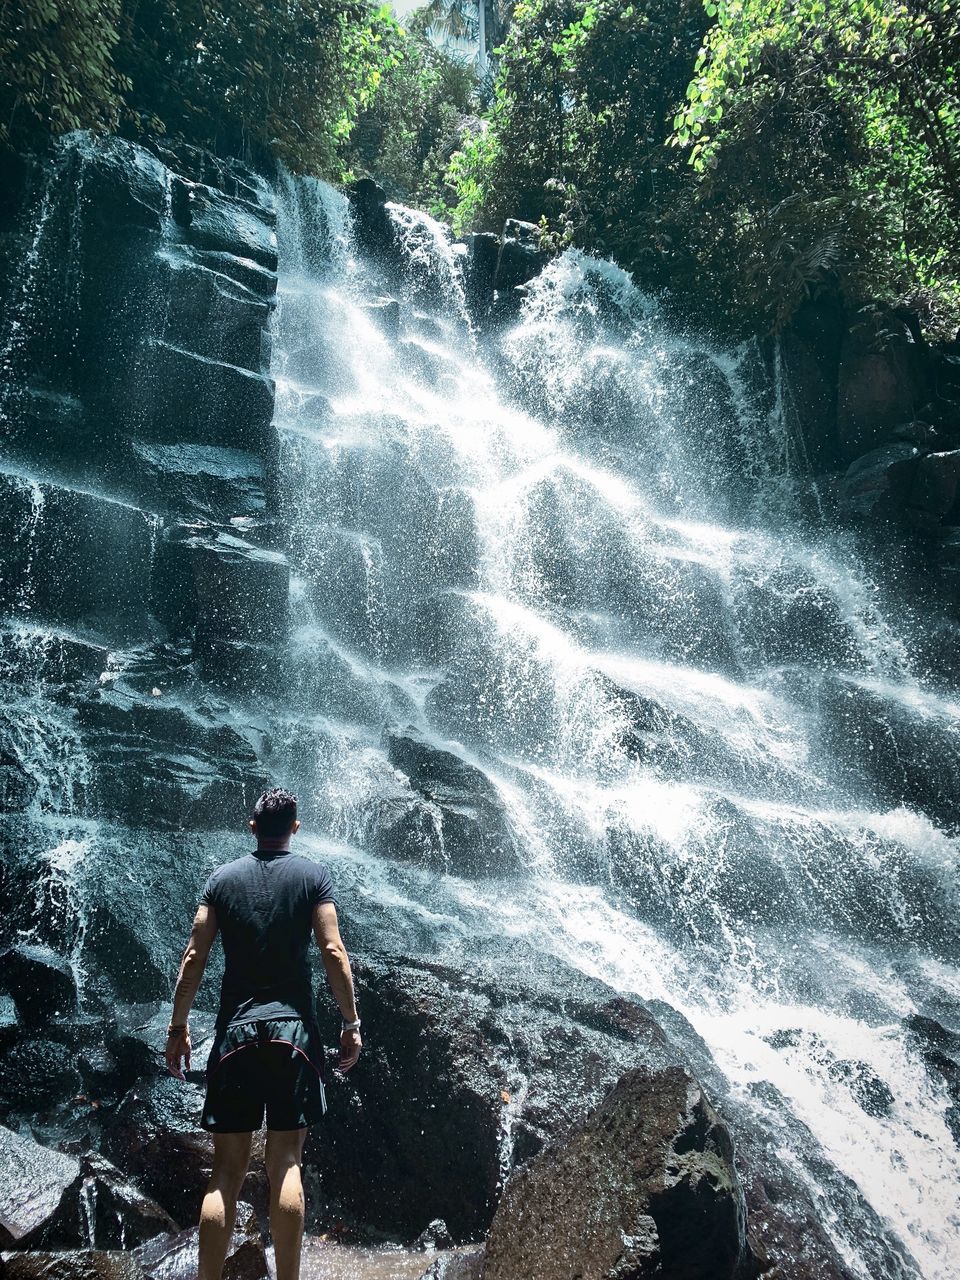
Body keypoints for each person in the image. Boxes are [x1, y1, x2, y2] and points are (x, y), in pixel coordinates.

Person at [165, 787, 361, 1280]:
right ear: (295, 827)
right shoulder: (313, 877)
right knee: (286, 1163)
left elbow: (194, 956)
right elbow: (333, 951)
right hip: (293, 1035)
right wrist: (351, 1022)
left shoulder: (221, 880)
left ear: (252, 826)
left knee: (226, 1173)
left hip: (234, 1036)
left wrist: (178, 1025)